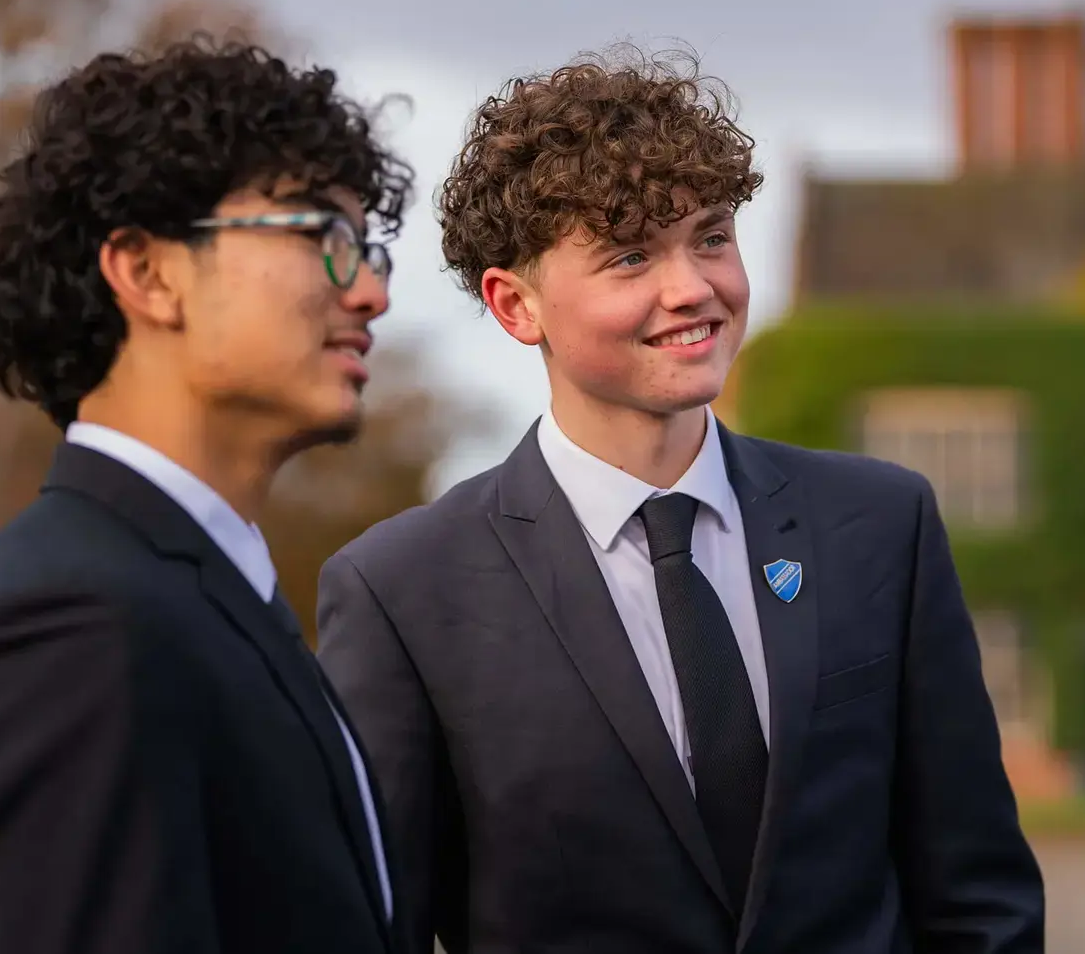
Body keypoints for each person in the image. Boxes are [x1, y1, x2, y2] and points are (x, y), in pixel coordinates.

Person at [315, 49, 1044, 953]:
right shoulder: (401, 593)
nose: (693, 287)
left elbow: (980, 897)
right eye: (630, 255)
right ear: (515, 306)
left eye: (710, 235)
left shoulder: (880, 525)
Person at [0, 39, 412, 954]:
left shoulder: (198, 592)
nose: (370, 291)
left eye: (367, 246)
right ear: (146, 272)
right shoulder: (72, 624)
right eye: (323, 238)